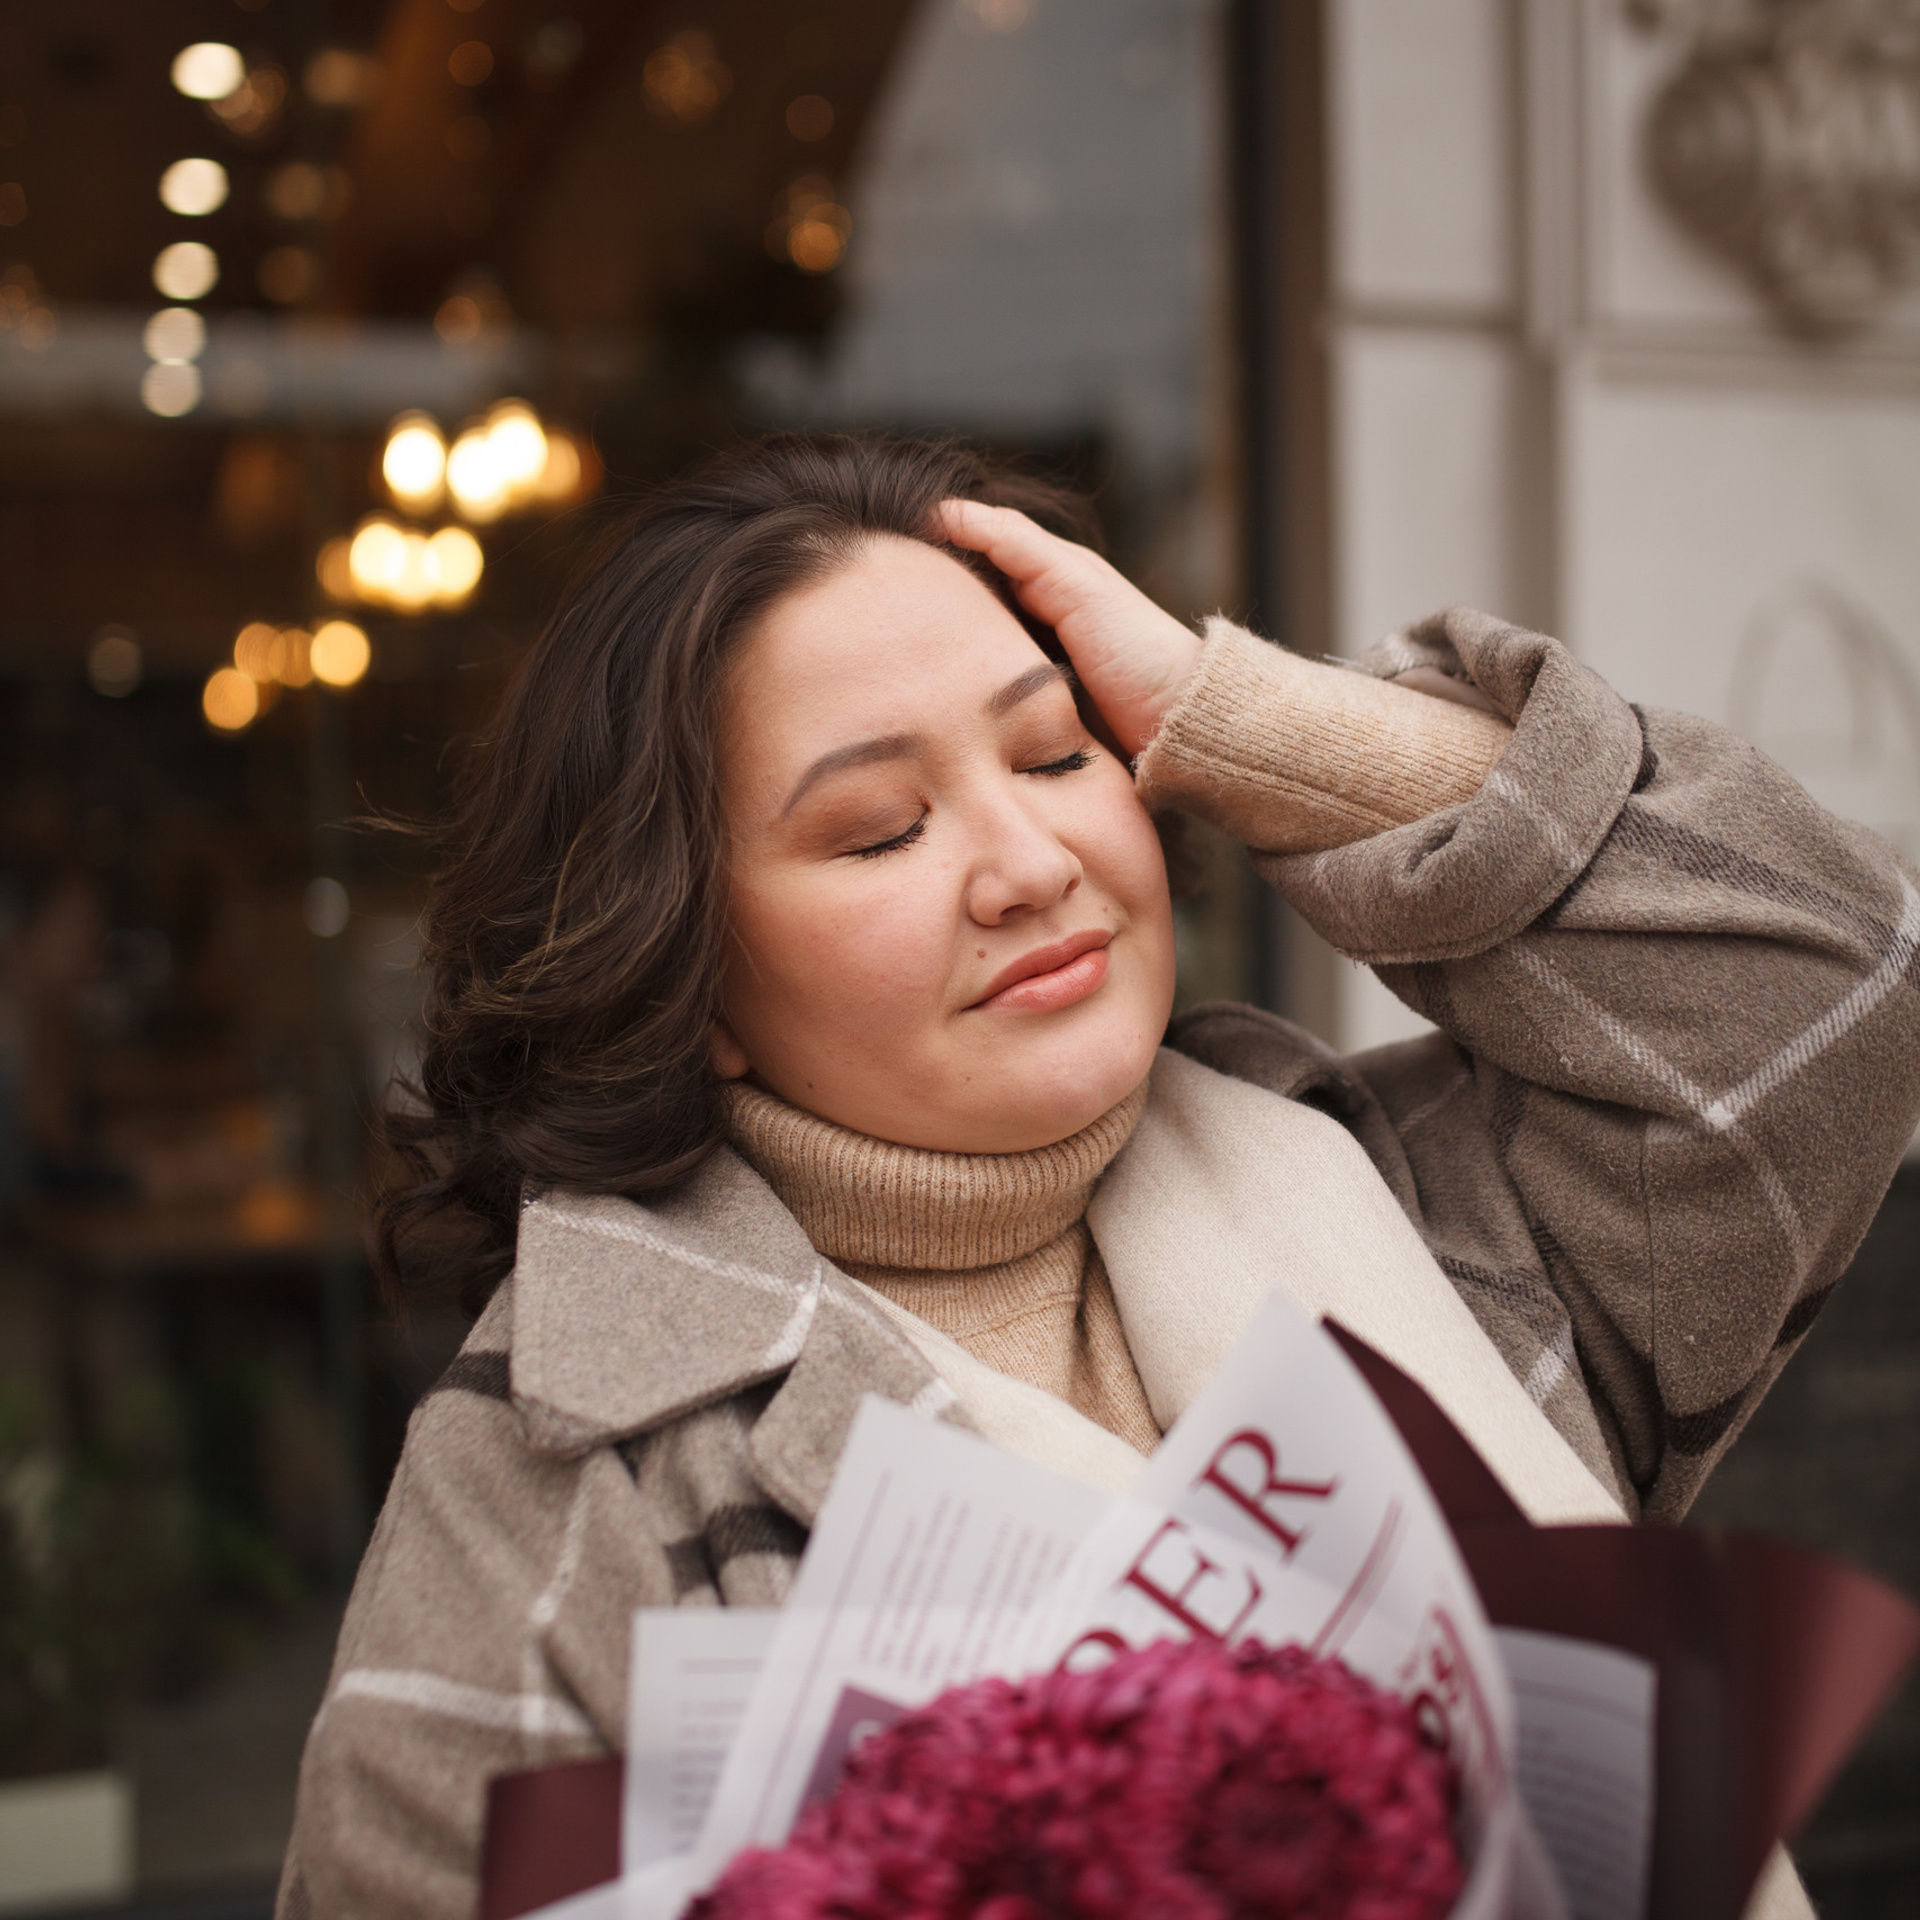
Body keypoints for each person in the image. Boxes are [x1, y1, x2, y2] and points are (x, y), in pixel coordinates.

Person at [277, 435, 1920, 1918]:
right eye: (876, 832)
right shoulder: (563, 1471)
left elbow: (1829, 999)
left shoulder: (1409, 1211)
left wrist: (1235, 714)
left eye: (1059, 756)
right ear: (686, 979)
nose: (1030, 864)